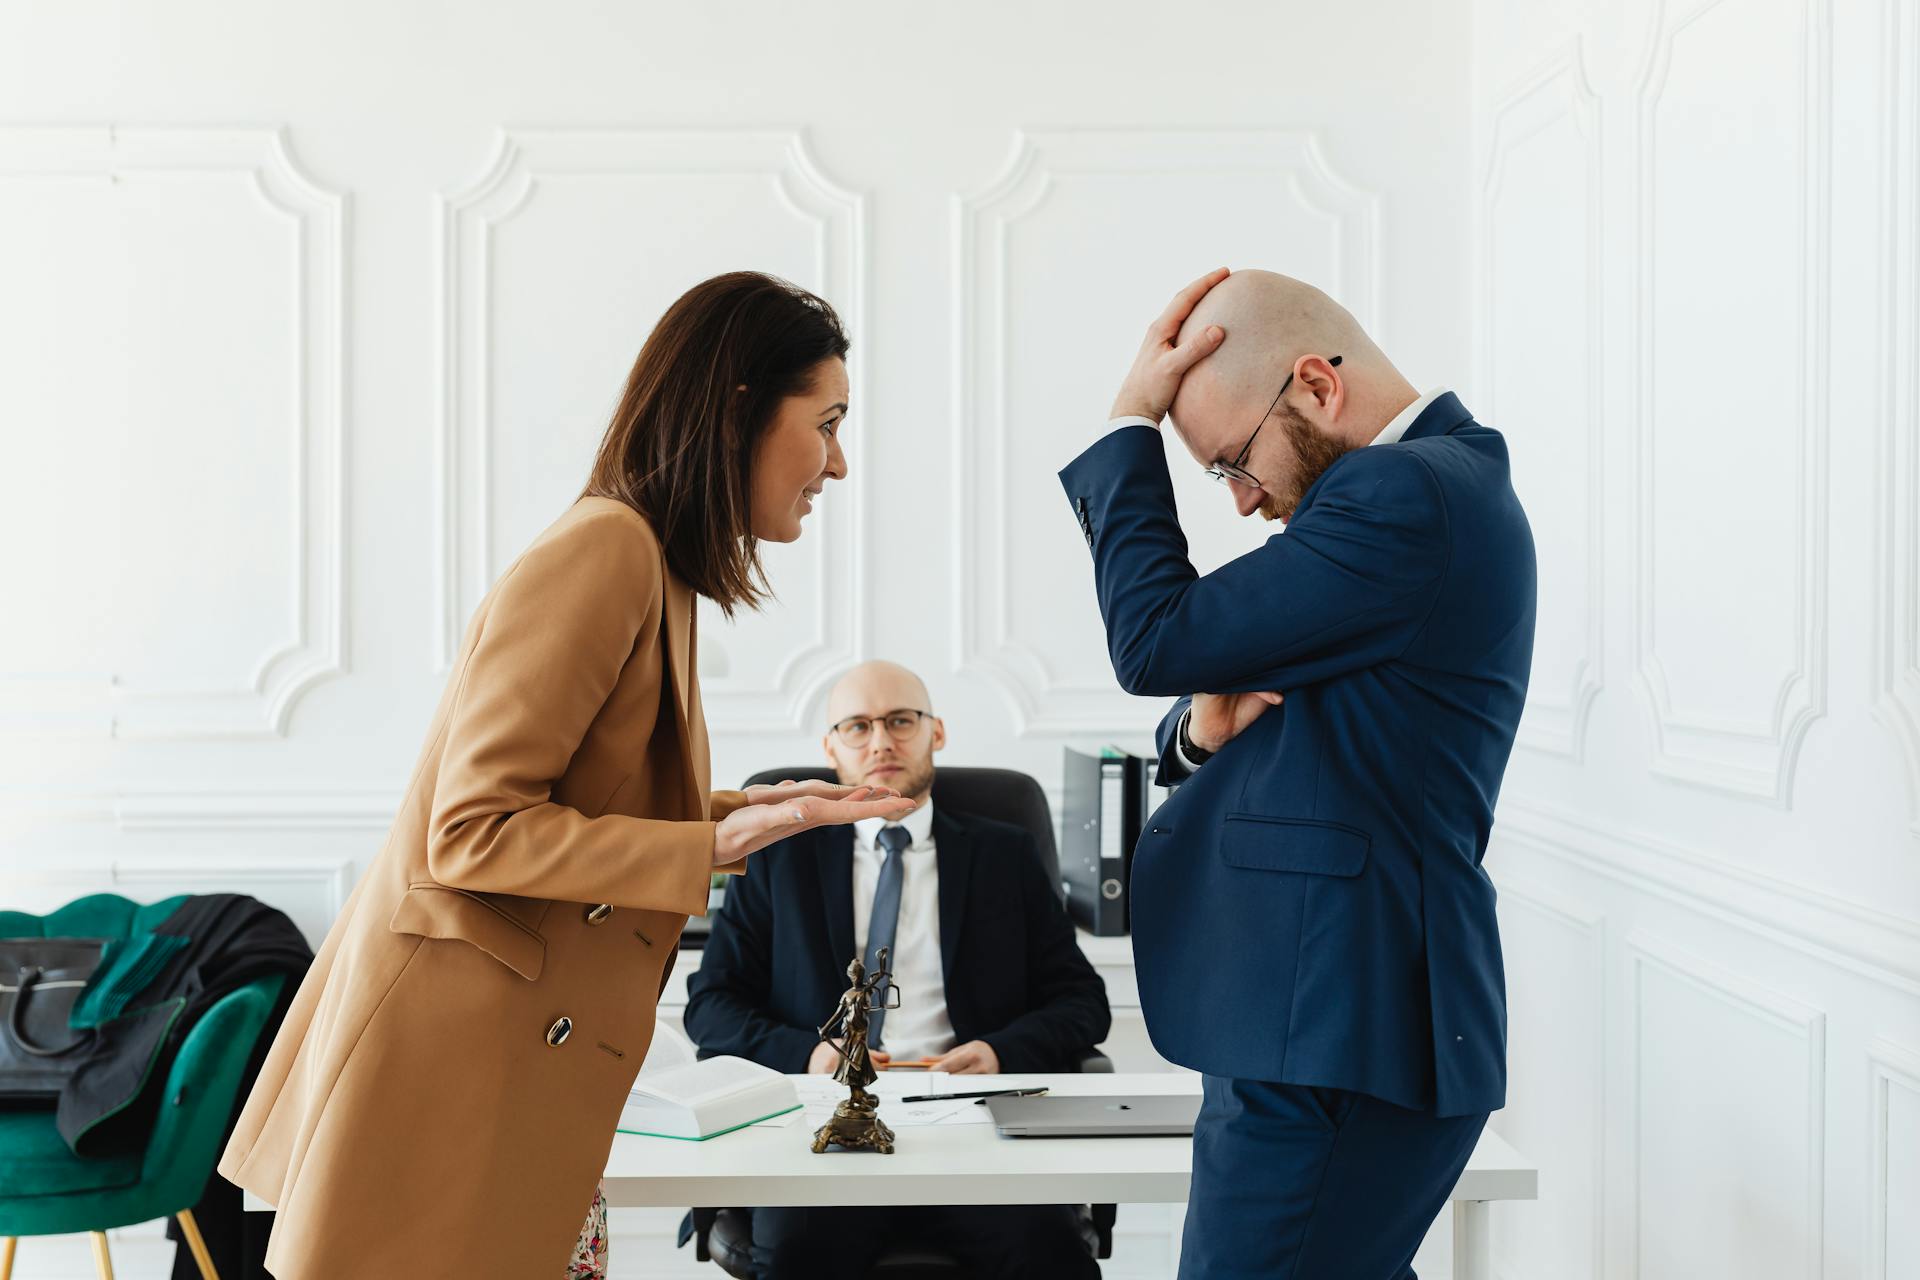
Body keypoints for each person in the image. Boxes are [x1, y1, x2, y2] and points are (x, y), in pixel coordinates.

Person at [215, 272, 916, 1280]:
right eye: (828, 422)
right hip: (451, 1082)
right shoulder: (606, 551)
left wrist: (738, 811)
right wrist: (706, 843)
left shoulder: (653, 564)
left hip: (509, 1075)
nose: (838, 464)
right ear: (739, 412)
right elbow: (470, 828)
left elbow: (575, 799)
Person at [1059, 268, 1537, 1278]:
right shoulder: (1418, 500)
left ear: (1317, 385)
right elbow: (1271, 722)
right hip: (1327, 1020)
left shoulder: (1401, 492)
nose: (1241, 502)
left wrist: (1129, 421)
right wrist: (1199, 733)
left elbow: (1157, 635)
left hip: (1337, 1030)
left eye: (1234, 460)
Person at [684, 659, 1110, 1279]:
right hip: (823, 1132)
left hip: (972, 1129)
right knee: (800, 1253)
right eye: (858, 726)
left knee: (1049, 1253)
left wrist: (997, 1050)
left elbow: (1082, 1003)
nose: (881, 741)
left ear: (936, 732)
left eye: (901, 721)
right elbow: (712, 1006)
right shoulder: (780, 860)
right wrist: (813, 1054)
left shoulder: (1003, 854)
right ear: (831, 747)